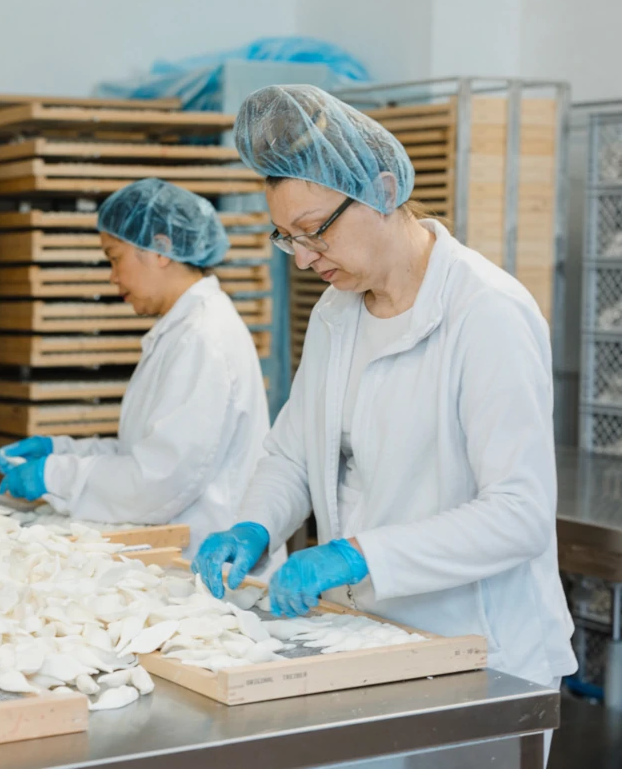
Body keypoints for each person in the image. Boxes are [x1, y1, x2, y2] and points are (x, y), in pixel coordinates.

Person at [192, 85, 575, 750]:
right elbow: (292, 454)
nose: (306, 258)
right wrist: (255, 524)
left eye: (316, 230)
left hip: (482, 662)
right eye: (289, 239)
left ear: (383, 188)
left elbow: (519, 513)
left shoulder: (485, 313)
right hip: (375, 645)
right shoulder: (338, 313)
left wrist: (356, 555)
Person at [0, 178, 281, 563]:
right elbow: (147, 450)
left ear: (160, 249)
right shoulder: (181, 331)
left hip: (209, 565)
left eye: (115, 257)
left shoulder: (202, 338)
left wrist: (54, 475)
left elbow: (156, 481)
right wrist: (61, 450)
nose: (112, 276)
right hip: (182, 554)